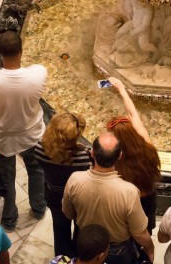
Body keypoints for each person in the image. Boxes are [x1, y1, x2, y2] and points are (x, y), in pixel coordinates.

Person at [0, 29, 47, 231]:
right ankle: (39, 207)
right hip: (31, 133)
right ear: (21, 51)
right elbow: (37, 70)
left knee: (7, 178)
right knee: (36, 171)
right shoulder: (38, 74)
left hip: (1, 138)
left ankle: (9, 219)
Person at [62, 132, 155, 264]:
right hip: (117, 249)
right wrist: (150, 249)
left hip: (86, 243)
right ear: (119, 156)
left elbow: (68, 212)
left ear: (92, 153)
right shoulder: (129, 191)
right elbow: (139, 233)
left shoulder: (74, 179)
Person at [106, 78, 160, 233]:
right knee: (146, 228)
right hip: (147, 198)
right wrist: (122, 90)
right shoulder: (147, 145)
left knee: (127, 230)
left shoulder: (115, 162)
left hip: (126, 203)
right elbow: (133, 114)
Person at [36, 112, 92, 257]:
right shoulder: (85, 157)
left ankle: (62, 258)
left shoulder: (40, 149)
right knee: (81, 229)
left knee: (60, 229)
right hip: (78, 199)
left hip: (54, 197)